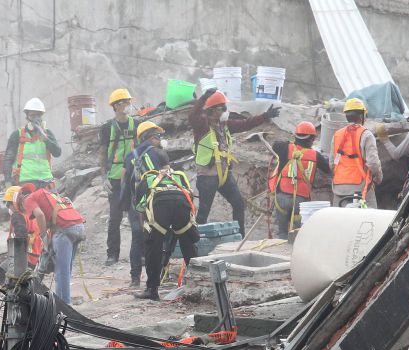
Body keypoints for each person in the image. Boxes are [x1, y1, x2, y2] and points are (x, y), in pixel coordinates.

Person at [127, 122, 199, 301]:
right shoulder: (176, 173)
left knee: (154, 246)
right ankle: (198, 286)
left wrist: (147, 228)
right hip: (181, 203)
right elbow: (189, 198)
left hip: (159, 205)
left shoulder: (144, 173)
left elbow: (140, 205)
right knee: (188, 243)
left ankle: (152, 290)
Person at [189, 89, 278, 235]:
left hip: (224, 175)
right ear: (212, 110)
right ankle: (195, 243)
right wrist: (204, 97)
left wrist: (265, 116)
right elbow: (193, 115)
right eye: (222, 108)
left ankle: (239, 237)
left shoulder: (225, 125)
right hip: (207, 177)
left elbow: (245, 124)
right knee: (203, 214)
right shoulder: (202, 126)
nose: (225, 110)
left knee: (238, 204)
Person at [99, 89, 143, 285]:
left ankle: (139, 253)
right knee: (115, 217)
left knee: (138, 216)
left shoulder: (137, 124)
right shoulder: (107, 127)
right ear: (115, 106)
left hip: (134, 175)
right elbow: (102, 153)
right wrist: (103, 177)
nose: (127, 104)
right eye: (123, 102)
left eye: (128, 101)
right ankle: (112, 254)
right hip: (116, 177)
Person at [22, 182, 87, 303]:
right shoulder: (51, 195)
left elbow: (40, 215)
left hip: (64, 230)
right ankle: (62, 303)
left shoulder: (29, 199)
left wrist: (43, 237)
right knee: (65, 271)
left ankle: (65, 307)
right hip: (79, 227)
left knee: (61, 273)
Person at [269, 121, 330, 238]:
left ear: (296, 136)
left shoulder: (285, 148)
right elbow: (328, 169)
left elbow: (275, 145)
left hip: (281, 198)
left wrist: (292, 143)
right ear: (312, 139)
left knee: (282, 232)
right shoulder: (315, 155)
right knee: (298, 235)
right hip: (300, 201)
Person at [332, 98, 383, 208]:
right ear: (362, 116)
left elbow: (332, 163)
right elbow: (373, 163)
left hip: (338, 187)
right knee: (369, 220)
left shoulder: (337, 135)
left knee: (338, 222)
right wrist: (378, 178)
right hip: (360, 188)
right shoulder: (367, 135)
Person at [3, 97, 61, 188]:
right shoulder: (17, 135)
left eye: (38, 115)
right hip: (26, 181)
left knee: (53, 202)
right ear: (27, 117)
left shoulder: (47, 133)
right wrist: (7, 181)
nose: (36, 119)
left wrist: (45, 138)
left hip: (46, 180)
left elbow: (57, 153)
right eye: (32, 116)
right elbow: (8, 159)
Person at [4, 185, 42, 270]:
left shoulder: (17, 216)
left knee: (1, 273)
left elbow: (21, 238)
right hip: (36, 257)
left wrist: (15, 260)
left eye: (7, 203)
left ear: (13, 203)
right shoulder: (31, 214)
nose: (7, 207)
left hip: (25, 259)